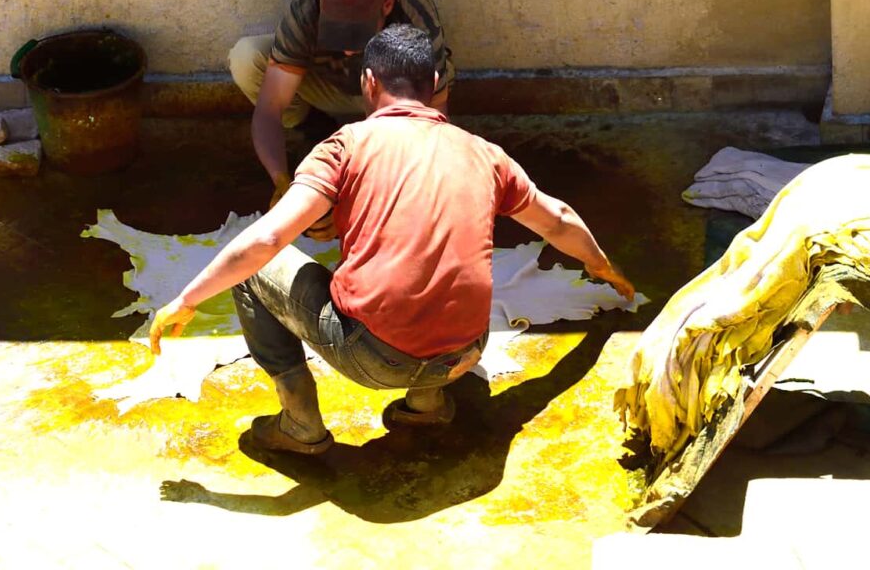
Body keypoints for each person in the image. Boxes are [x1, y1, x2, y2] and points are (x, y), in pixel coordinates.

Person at [152, 24, 634, 455]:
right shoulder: (486, 154)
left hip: (373, 358)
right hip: (465, 353)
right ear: (435, 87)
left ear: (369, 83)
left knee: (253, 266)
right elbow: (559, 219)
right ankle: (426, 404)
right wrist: (602, 267)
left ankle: (300, 422)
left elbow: (270, 236)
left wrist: (187, 299)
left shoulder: (345, 146)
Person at [228, 0, 454, 235]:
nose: (348, 49)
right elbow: (269, 108)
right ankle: (314, 130)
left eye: (357, 33)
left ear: (387, 6)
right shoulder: (306, 8)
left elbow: (432, 123)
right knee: (247, 56)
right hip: (333, 89)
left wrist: (358, 203)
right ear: (322, 5)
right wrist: (283, 182)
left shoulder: (413, 15)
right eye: (337, 31)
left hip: (394, 105)